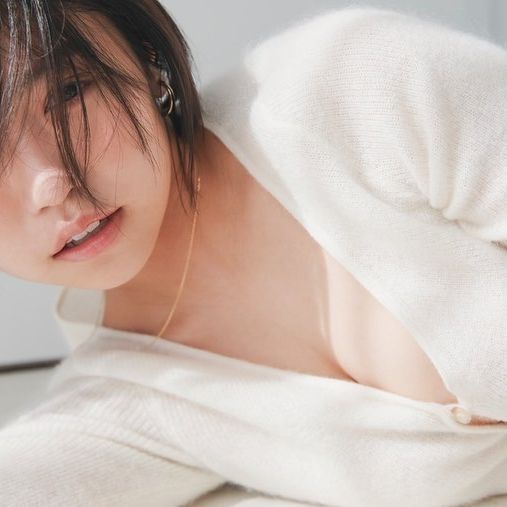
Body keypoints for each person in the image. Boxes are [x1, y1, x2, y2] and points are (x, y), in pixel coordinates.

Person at [0, 1, 507, 506]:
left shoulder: (358, 88)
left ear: (148, 61)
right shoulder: (124, 392)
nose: (52, 185)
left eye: (69, 92)